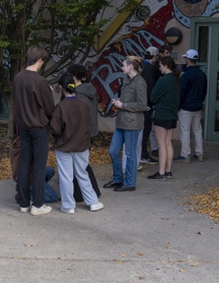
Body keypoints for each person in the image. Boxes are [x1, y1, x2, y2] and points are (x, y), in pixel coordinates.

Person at [50, 74, 104, 214]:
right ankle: (93, 202)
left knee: (66, 176)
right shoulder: (84, 103)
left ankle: (68, 205)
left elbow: (55, 129)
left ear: (61, 88)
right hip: (82, 144)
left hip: (64, 145)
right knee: (82, 173)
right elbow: (89, 122)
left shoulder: (61, 107)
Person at [13, 46, 55, 216]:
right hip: (38, 128)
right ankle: (38, 204)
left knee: (24, 164)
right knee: (38, 166)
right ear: (40, 60)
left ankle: (23, 203)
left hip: (23, 127)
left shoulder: (18, 78)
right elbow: (49, 107)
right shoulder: (40, 81)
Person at [105, 56, 148, 191]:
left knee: (130, 154)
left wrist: (123, 105)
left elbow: (142, 105)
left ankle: (130, 183)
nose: (122, 67)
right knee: (113, 151)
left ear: (130, 67)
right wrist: (118, 102)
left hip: (132, 123)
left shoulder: (140, 82)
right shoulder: (127, 80)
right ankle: (118, 179)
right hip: (122, 122)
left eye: (124, 65)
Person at [148, 56, 181, 179]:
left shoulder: (163, 80)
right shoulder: (176, 79)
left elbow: (153, 97)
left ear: (166, 66)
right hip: (172, 115)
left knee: (161, 144)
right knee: (168, 144)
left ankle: (161, 172)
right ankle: (168, 171)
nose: (159, 68)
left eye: (161, 65)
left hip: (162, 114)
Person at [177, 49, 207, 162]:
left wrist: (179, 105)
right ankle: (200, 154)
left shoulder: (186, 75)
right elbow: (204, 91)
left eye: (185, 58)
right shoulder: (202, 74)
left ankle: (185, 154)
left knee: (185, 131)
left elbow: (182, 92)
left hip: (186, 107)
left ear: (188, 59)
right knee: (197, 130)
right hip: (197, 106)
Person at [140, 46, 160, 165]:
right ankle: (143, 154)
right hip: (146, 105)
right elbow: (150, 88)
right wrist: (151, 103)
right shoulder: (150, 69)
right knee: (145, 130)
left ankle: (142, 153)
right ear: (154, 56)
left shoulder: (141, 67)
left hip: (139, 104)